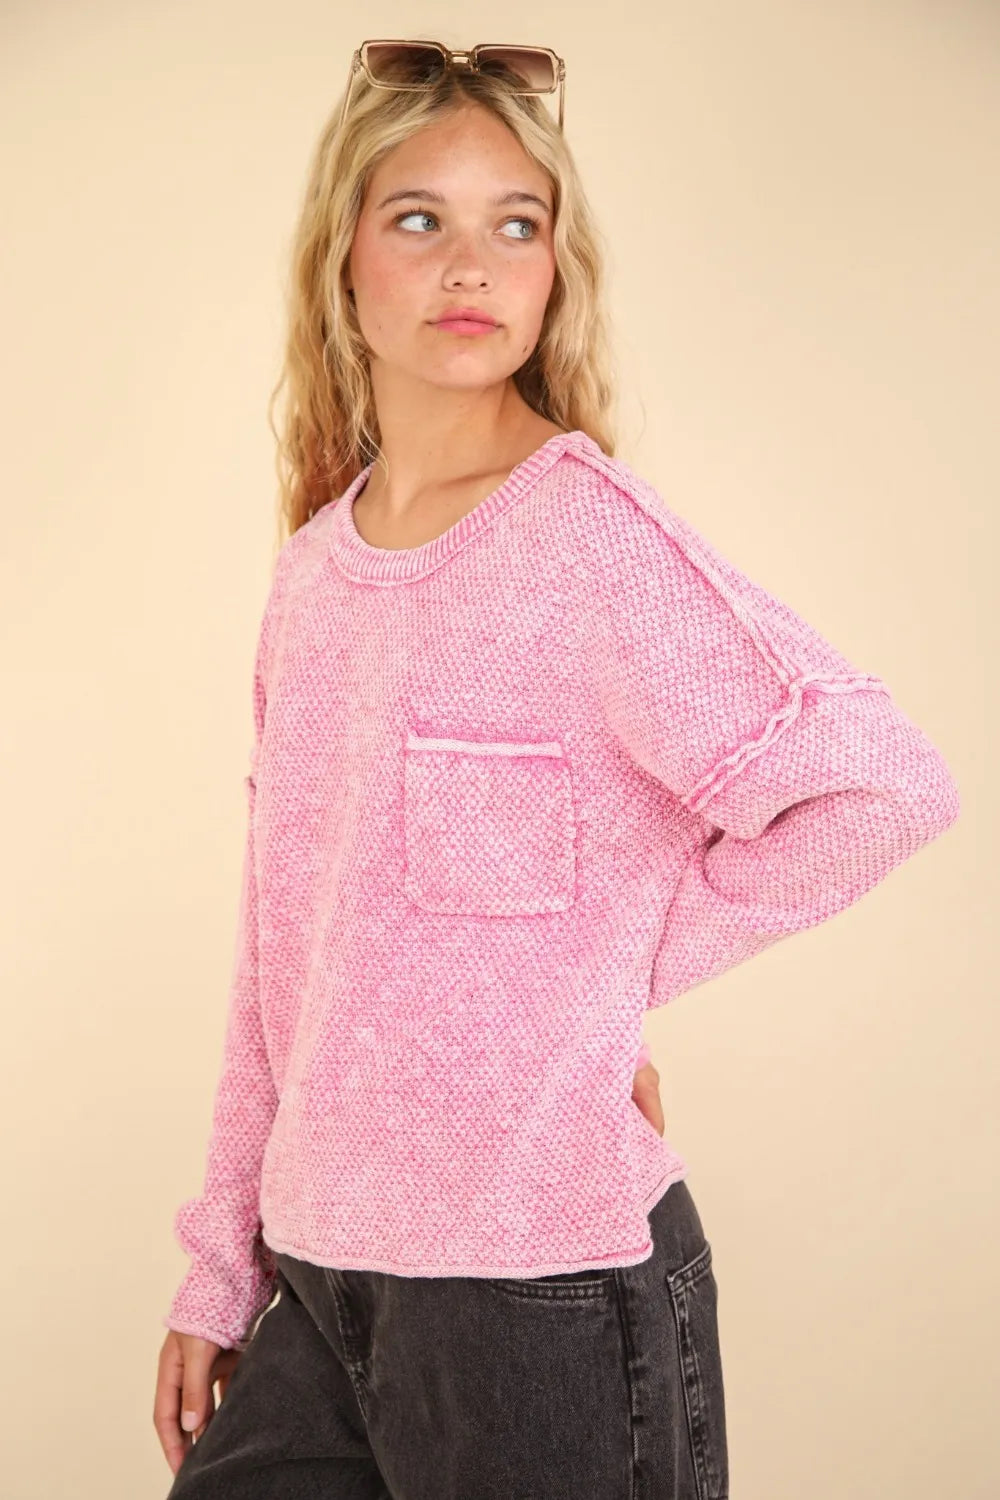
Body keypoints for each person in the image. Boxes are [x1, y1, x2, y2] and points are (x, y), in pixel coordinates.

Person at [152, 39, 961, 1499]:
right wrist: (221, 1270)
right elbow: (279, 958)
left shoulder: (584, 540)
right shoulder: (315, 578)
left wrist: (589, 991)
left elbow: (884, 785)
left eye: (515, 223)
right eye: (419, 219)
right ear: (342, 262)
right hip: (321, 1281)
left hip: (544, 1299)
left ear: (553, 272)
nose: (472, 264)